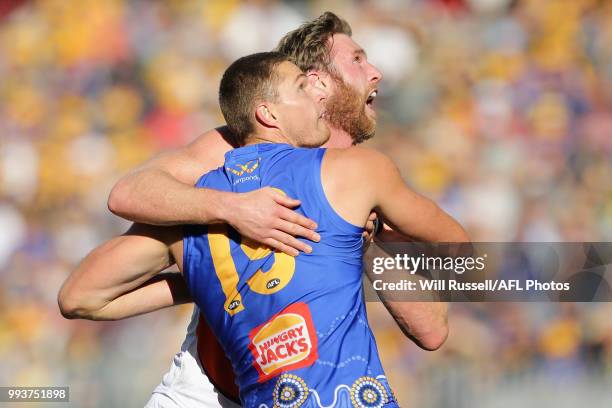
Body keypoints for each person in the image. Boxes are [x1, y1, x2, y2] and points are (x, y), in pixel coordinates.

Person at [59, 12, 449, 408]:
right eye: (358, 60)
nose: (376, 72)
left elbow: (431, 332)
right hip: (208, 391)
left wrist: (365, 242)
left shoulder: (358, 180)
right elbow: (126, 193)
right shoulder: (232, 152)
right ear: (317, 84)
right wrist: (234, 209)